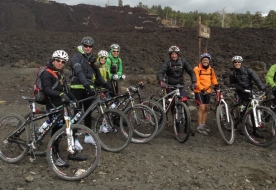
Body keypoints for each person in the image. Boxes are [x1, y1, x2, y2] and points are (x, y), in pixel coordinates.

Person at [41, 50, 87, 167]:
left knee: (69, 127)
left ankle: (71, 152)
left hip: (62, 104)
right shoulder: (47, 73)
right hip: (53, 105)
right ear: (53, 60)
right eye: (58, 60)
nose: (60, 63)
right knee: (56, 131)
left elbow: (66, 90)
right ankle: (54, 155)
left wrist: (74, 100)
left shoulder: (60, 73)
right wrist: (60, 95)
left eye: (63, 61)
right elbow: (47, 90)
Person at [70, 37, 113, 143]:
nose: (88, 48)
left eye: (90, 46)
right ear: (82, 46)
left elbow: (97, 74)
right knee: (77, 113)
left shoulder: (92, 59)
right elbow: (79, 72)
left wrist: (107, 85)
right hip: (77, 87)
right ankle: (74, 139)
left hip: (88, 88)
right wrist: (86, 85)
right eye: (86, 46)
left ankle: (88, 136)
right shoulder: (77, 56)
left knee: (88, 112)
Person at [157, 45, 197, 135]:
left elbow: (191, 71)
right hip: (170, 86)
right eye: (172, 54)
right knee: (173, 105)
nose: (174, 55)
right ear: (170, 55)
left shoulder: (183, 61)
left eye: (175, 54)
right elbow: (160, 72)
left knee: (185, 104)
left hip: (180, 85)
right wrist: (161, 81)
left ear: (178, 54)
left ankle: (187, 127)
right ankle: (176, 125)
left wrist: (194, 81)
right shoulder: (167, 62)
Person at [229, 55, 269, 137]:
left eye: (238, 62)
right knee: (242, 110)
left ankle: (255, 130)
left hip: (249, 92)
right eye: (235, 62)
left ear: (241, 63)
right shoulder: (232, 73)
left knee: (252, 110)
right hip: (239, 93)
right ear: (233, 64)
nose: (237, 63)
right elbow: (231, 84)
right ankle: (242, 126)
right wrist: (238, 87)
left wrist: (263, 88)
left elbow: (256, 79)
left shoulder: (248, 71)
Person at [193, 53, 219, 135]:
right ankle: (199, 126)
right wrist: (201, 89)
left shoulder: (211, 69)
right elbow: (196, 80)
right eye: (204, 60)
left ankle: (203, 124)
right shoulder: (197, 69)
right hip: (199, 91)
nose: (205, 61)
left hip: (208, 91)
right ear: (201, 61)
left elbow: (213, 78)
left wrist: (216, 84)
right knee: (202, 107)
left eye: (207, 60)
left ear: (209, 61)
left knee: (207, 108)